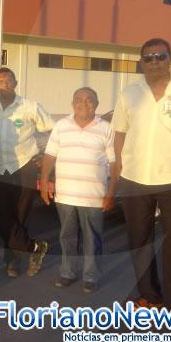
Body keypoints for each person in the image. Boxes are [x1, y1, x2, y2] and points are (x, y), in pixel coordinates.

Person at [112, 37, 171, 336]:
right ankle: (150, 298)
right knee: (139, 240)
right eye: (148, 57)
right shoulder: (129, 92)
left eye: (160, 56)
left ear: (170, 58)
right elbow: (119, 133)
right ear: (141, 62)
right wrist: (117, 169)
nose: (154, 62)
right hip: (135, 178)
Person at [0, 67, 52, 278]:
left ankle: (12, 261)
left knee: (21, 215)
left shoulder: (30, 107)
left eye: (8, 80)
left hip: (23, 166)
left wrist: (45, 154)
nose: (4, 84)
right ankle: (34, 247)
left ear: (15, 83)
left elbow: (53, 130)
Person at [40, 87, 116, 293]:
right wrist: (44, 180)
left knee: (93, 239)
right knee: (67, 237)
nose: (84, 103)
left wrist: (111, 192)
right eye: (79, 99)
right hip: (65, 195)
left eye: (90, 99)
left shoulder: (106, 128)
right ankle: (68, 272)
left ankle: (91, 276)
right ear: (72, 103)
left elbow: (115, 163)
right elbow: (49, 156)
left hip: (94, 196)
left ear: (97, 103)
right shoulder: (61, 126)